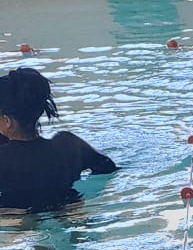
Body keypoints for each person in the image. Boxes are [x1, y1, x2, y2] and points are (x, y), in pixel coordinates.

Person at [0, 68, 117, 212]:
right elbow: (107, 168)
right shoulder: (68, 146)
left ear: (7, 121)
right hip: (68, 205)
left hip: (13, 213)